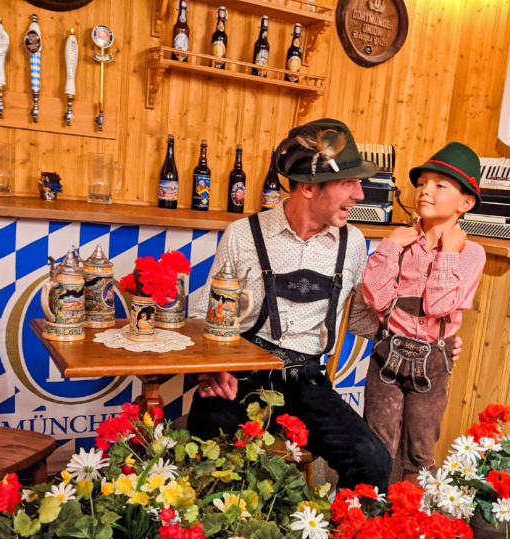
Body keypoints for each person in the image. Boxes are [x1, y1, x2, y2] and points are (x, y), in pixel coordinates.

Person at [187, 119, 464, 491]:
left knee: (372, 461)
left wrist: (428, 339)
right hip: (241, 375)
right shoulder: (244, 234)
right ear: (308, 188)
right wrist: (213, 369)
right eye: (348, 183)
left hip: (307, 382)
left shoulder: (351, 242)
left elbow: (364, 319)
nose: (360, 195)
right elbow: (205, 315)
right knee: (205, 442)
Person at [360, 142, 487, 485]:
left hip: (434, 361)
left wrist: (448, 252)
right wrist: (388, 245)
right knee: (377, 438)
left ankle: (409, 516)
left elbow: (439, 306)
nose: (424, 191)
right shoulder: (401, 243)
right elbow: (375, 297)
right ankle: (372, 514)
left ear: (465, 202)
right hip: (388, 351)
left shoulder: (471, 254)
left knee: (421, 445)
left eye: (439, 185)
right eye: (421, 184)